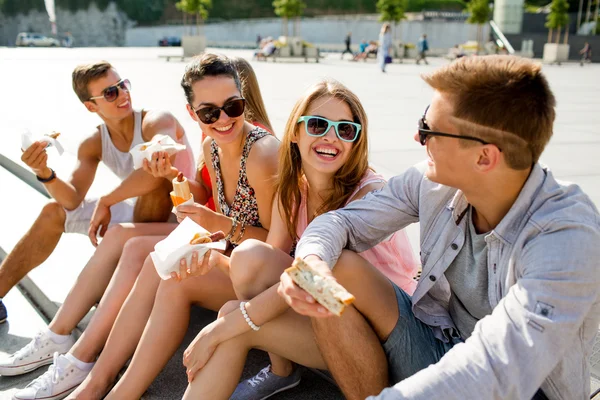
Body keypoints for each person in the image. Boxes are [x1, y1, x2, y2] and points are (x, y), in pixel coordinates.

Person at [275, 55, 600, 400]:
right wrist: (310, 263)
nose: (416, 136)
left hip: (519, 388)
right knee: (331, 269)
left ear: (484, 158)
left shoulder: (565, 236)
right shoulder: (429, 183)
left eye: (429, 130)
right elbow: (341, 222)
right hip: (440, 340)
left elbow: (499, 366)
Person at [177, 79, 419, 400]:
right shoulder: (293, 191)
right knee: (248, 259)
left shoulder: (370, 195)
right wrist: (215, 264)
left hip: (384, 337)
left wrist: (225, 325)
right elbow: (270, 270)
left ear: (356, 141)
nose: (330, 137)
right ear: (295, 132)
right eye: (318, 125)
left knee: (229, 323)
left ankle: (287, 371)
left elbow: (312, 282)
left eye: (345, 130)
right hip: (327, 317)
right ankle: (282, 372)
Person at [66, 52, 279, 400]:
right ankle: (95, 383)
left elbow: (277, 246)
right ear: (192, 114)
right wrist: (173, 177)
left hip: (261, 272)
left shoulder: (262, 151)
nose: (223, 119)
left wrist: (213, 224)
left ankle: (109, 388)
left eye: (233, 107)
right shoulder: (212, 144)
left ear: (244, 100)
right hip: (230, 254)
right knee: (157, 263)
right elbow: (210, 195)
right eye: (210, 112)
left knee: (171, 277)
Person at [0, 61, 194, 326]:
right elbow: (71, 199)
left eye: (122, 85)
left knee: (158, 180)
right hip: (141, 213)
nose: (123, 94)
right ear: (91, 106)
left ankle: (111, 280)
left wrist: (107, 200)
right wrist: (43, 170)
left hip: (182, 218)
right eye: (111, 93)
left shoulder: (156, 120)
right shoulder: (94, 142)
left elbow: (157, 168)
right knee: (53, 211)